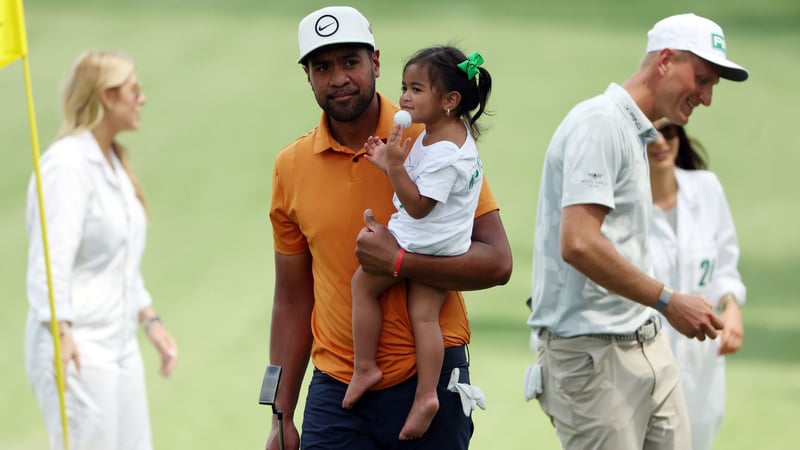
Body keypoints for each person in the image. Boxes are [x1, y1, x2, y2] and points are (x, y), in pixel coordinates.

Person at [267, 6, 512, 450]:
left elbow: (497, 262)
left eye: (350, 62)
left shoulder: (434, 137)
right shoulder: (291, 166)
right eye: (323, 67)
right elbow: (292, 296)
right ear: (308, 76)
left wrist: (400, 261)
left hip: (429, 381)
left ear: (375, 62)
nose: (338, 77)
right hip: (336, 389)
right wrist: (280, 412)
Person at [525, 13, 748, 449]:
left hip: (648, 343)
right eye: (701, 79)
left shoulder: (634, 131)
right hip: (591, 356)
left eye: (712, 86)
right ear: (665, 60)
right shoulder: (600, 123)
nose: (706, 98)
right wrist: (668, 300)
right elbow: (579, 242)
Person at [24, 51, 178, 450]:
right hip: (77, 345)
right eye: (134, 90)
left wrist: (150, 320)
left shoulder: (113, 161)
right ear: (107, 97)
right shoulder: (65, 165)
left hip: (119, 343)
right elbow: (50, 259)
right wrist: (61, 332)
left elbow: (119, 260)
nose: (142, 99)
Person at [343, 46, 492, 441]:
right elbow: (416, 179)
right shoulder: (438, 136)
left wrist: (393, 167)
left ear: (449, 101)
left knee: (361, 286)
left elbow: (419, 205)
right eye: (404, 87)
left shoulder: (445, 152)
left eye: (416, 89)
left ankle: (364, 367)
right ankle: (427, 396)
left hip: (426, 242)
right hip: (442, 243)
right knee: (423, 317)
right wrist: (388, 162)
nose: (405, 98)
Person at [648, 120, 746, 450]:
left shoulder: (706, 189)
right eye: (650, 134)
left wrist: (731, 308)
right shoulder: (624, 207)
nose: (660, 141)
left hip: (701, 362)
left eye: (670, 131)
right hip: (647, 364)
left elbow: (724, 265)